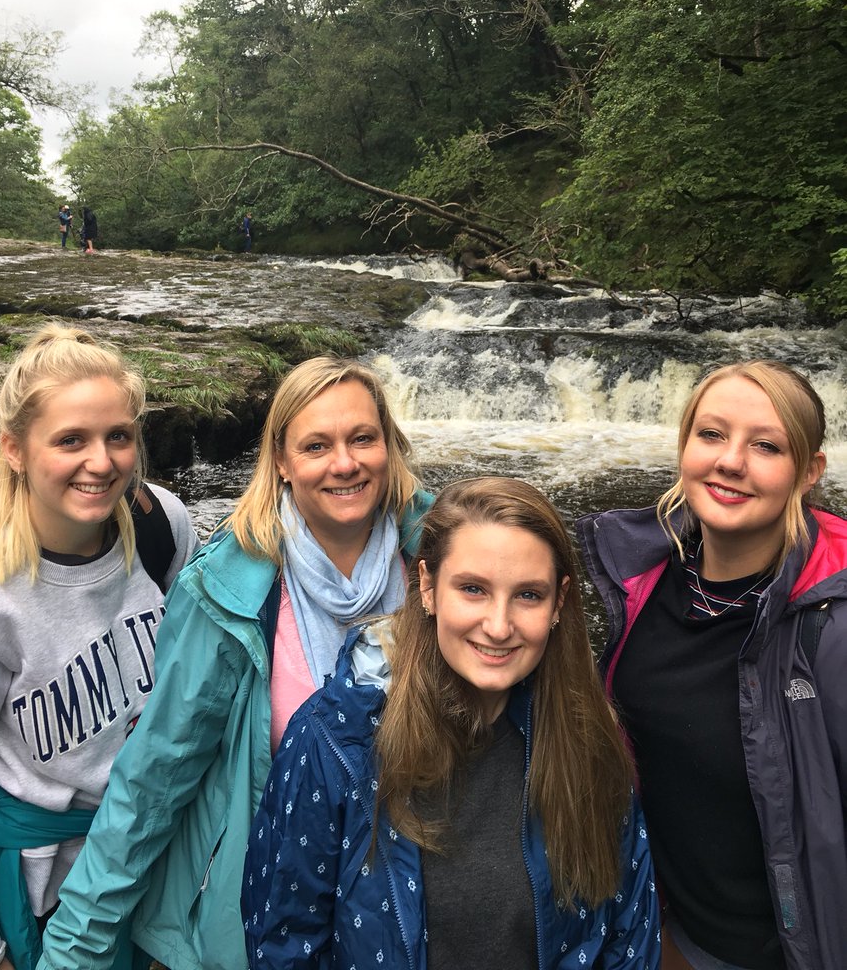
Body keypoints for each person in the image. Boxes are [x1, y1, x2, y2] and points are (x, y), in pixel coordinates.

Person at [38, 356, 432, 970]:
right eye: (316, 445)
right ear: (281, 461)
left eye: (362, 438)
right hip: (264, 912)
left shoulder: (447, 560)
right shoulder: (224, 590)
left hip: (422, 899)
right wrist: (76, 946)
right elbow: (154, 778)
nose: (345, 463)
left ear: (389, 444)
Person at [244, 476, 661, 969]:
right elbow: (285, 944)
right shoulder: (333, 745)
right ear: (427, 587)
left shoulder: (590, 747)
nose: (499, 626)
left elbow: (628, 935)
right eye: (472, 590)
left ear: (559, 603)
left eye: (528, 595)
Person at [576, 360, 847, 970]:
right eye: (712, 434)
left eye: (766, 446)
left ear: (809, 473)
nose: (730, 462)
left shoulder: (832, 620)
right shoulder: (643, 579)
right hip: (669, 934)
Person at [0, 323, 199, 970]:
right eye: (70, 440)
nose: (102, 461)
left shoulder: (160, 526)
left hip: (152, 866)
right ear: (14, 449)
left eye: (119, 435)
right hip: (37, 894)